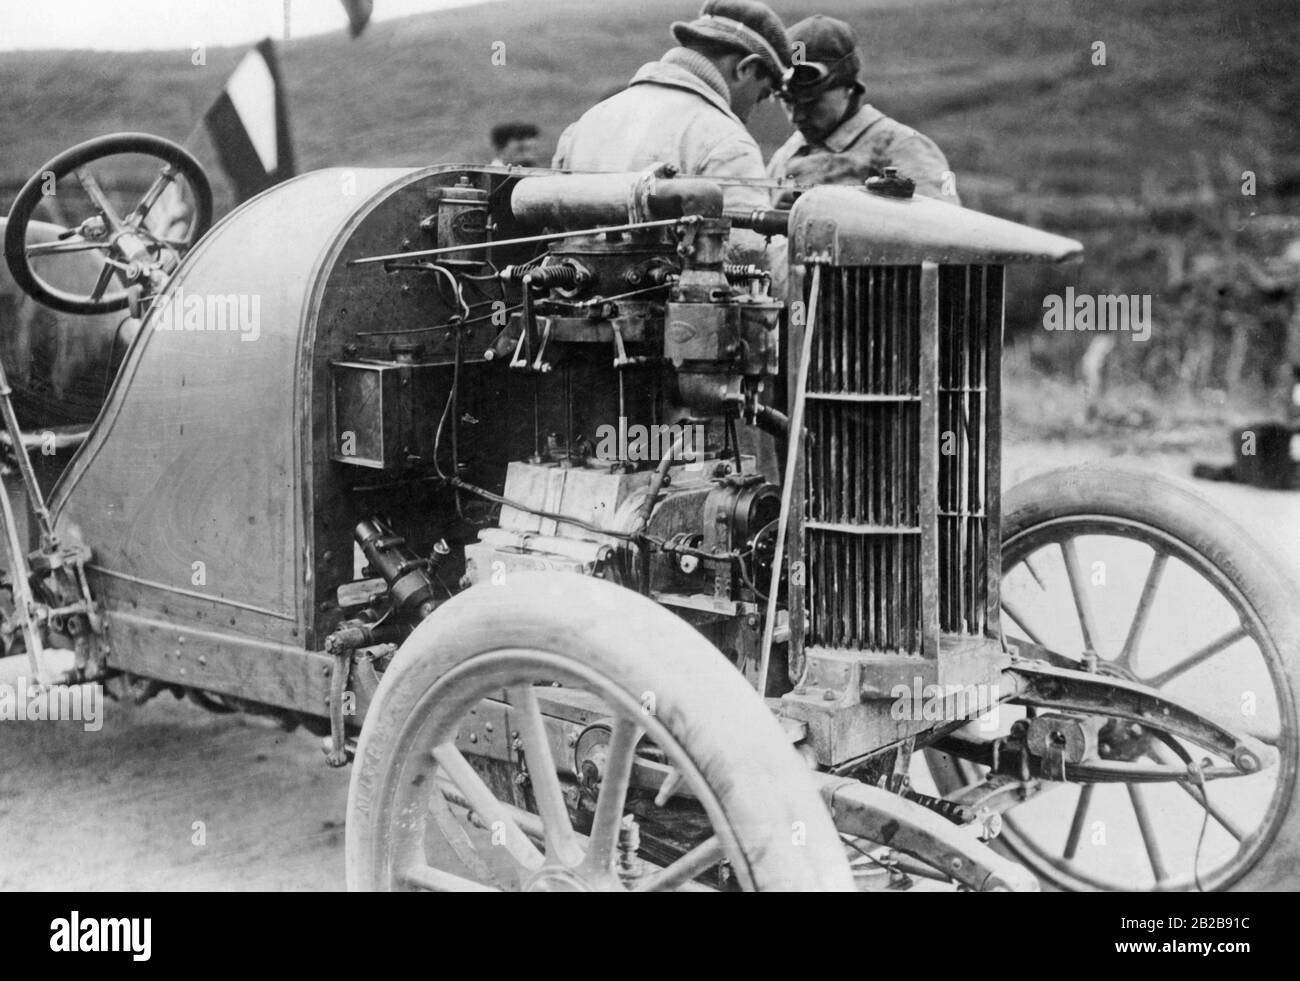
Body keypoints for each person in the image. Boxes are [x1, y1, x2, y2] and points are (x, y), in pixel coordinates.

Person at [552, 0, 792, 261]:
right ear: (745, 68)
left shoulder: (587, 123)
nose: (752, 111)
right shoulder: (725, 140)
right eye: (762, 94)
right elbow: (754, 257)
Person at [767, 15, 959, 206]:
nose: (796, 116)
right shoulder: (785, 154)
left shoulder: (902, 147)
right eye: (789, 102)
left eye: (812, 103)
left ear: (848, 88)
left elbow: (943, 227)